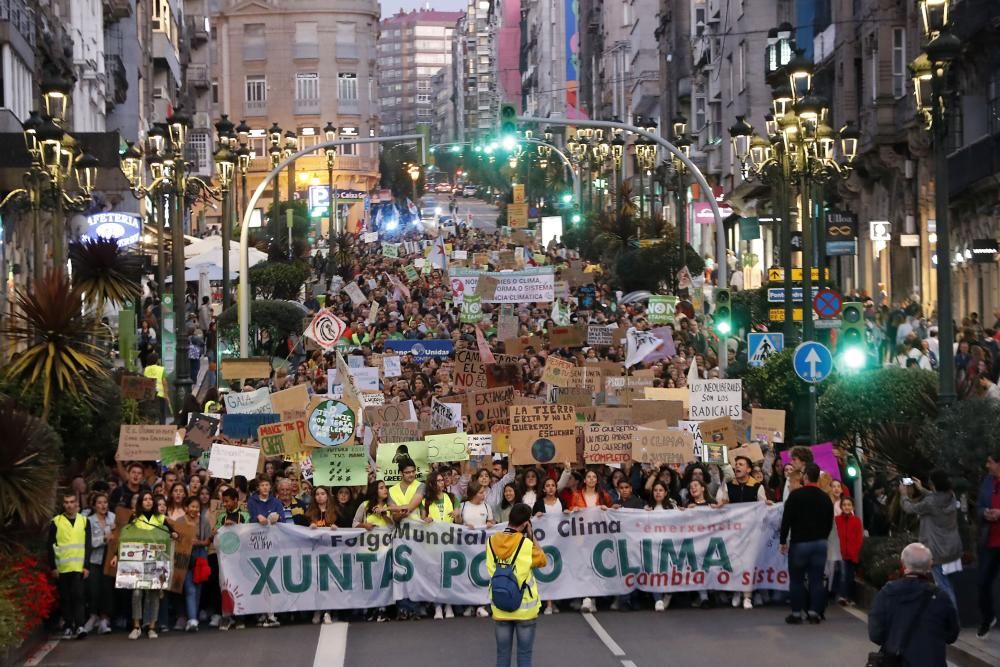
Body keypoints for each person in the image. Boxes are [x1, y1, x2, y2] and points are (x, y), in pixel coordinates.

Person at [868, 543, 959, 666]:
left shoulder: (887, 593)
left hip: (897, 662)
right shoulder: (940, 597)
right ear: (929, 565)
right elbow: (952, 634)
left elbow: (876, 634)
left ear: (903, 564)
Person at [487, 503, 547, 667]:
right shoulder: (526, 545)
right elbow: (542, 560)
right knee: (524, 654)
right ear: (526, 522)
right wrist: (531, 535)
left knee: (502, 654)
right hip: (525, 608)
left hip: (500, 605)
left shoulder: (491, 541)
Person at [899, 470, 962, 610]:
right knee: (947, 583)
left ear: (933, 484)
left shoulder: (929, 503)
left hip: (936, 549)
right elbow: (935, 498)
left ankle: (951, 618)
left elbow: (909, 508)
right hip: (952, 547)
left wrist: (903, 494)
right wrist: (922, 489)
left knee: (943, 585)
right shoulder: (951, 496)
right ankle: (950, 616)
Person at [780, 462, 834, 624]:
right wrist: (823, 537)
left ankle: (796, 613)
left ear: (805, 476)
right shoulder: (825, 498)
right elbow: (829, 522)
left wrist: (783, 540)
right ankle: (814, 612)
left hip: (800, 543)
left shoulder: (795, 496)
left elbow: (786, 520)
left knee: (796, 579)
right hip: (820, 543)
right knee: (816, 579)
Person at [716, 455, 766, 609]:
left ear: (749, 469)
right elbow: (721, 503)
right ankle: (736, 591)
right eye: (736, 464)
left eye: (741, 464)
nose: (737, 467)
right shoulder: (728, 485)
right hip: (733, 533)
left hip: (751, 533)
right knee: (735, 562)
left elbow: (763, 508)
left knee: (748, 563)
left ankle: (747, 596)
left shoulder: (757, 486)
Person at [48, 492, 92, 639]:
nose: (69, 505)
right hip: (63, 566)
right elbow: (50, 545)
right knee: (65, 598)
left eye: (72, 502)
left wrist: (87, 566)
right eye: (66, 502)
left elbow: (88, 545)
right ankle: (68, 625)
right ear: (63, 504)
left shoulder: (85, 521)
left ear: (77, 504)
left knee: (79, 596)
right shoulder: (56, 521)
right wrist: (53, 567)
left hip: (79, 566)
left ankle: (79, 625)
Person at [83, 492, 115, 635]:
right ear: (94, 505)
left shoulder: (113, 517)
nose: (103, 505)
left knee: (107, 590)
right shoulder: (88, 521)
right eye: (100, 503)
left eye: (105, 502)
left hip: (110, 560)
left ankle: (104, 620)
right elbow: (88, 542)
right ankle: (93, 616)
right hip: (94, 560)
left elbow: (119, 536)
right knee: (93, 590)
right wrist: (104, 538)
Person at [976, 451, 1000, 639]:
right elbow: (978, 507)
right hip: (989, 541)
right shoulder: (987, 482)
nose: (987, 465)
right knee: (982, 582)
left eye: (990, 462)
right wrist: (985, 513)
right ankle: (987, 617)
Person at [835, 497, 864, 606]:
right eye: (844, 505)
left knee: (850, 576)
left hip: (852, 553)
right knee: (842, 574)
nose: (847, 507)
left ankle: (849, 597)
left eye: (849, 505)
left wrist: (856, 552)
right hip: (841, 553)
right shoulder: (837, 520)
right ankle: (843, 596)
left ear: (853, 507)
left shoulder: (856, 521)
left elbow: (859, 538)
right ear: (841, 507)